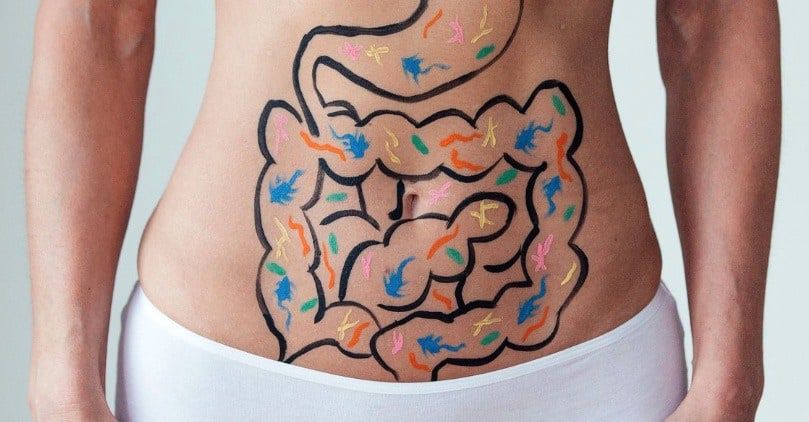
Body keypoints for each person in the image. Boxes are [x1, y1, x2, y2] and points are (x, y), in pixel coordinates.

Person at [24, 0, 780, 420]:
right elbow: (101, 24)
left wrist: (729, 377)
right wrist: (62, 378)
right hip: (224, 384)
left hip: (583, 384)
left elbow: (712, 19)